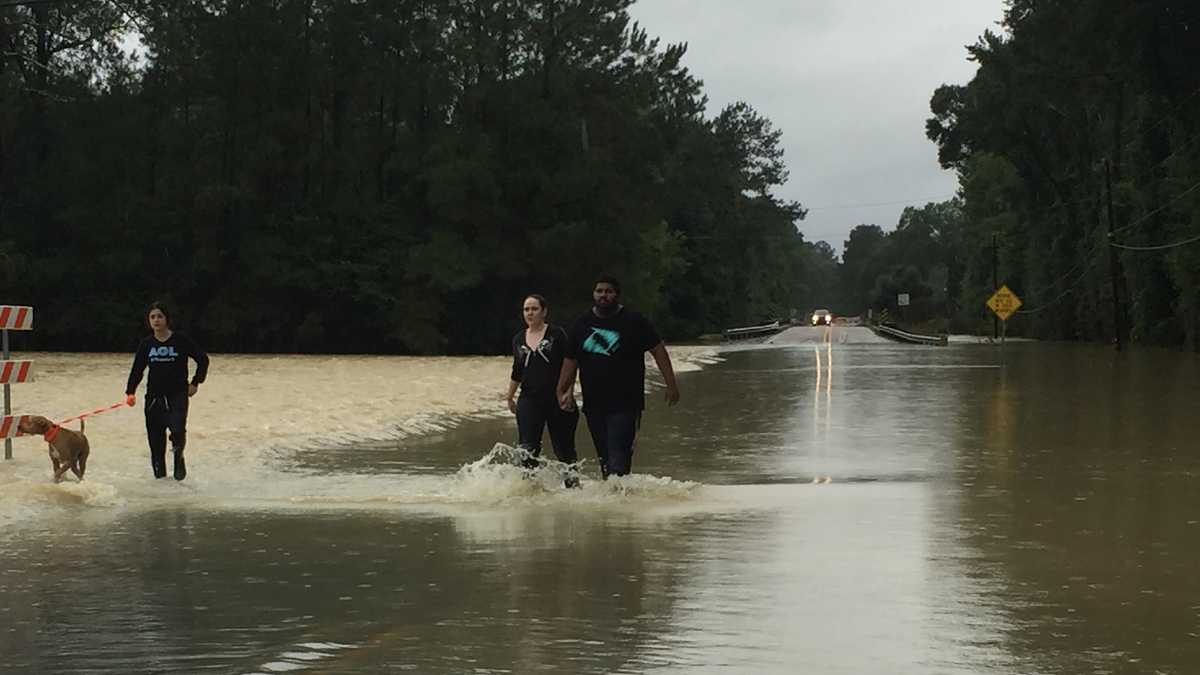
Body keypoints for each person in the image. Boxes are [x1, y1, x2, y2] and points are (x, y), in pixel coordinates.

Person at [556, 275, 679, 479]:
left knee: (618, 458)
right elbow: (571, 360)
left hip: (626, 403)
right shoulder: (581, 324)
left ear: (617, 295)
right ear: (594, 294)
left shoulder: (634, 321)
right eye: (599, 291)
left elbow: (658, 350)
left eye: (608, 291)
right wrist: (561, 389)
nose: (603, 295)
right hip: (594, 403)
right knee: (605, 460)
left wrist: (671, 384)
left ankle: (620, 500)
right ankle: (615, 505)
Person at [124, 302, 210, 480]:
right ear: (149, 321)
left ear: (167, 319)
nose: (156, 320)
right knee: (156, 442)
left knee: (177, 429)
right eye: (152, 317)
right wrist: (130, 392)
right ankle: (160, 481)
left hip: (177, 395)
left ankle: (179, 458)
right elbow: (137, 369)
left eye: (160, 316)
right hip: (154, 398)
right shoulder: (146, 344)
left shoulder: (180, 340)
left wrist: (195, 383)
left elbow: (203, 359)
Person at [505, 294, 580, 487]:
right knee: (527, 449)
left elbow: (570, 364)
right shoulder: (518, 339)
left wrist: (568, 392)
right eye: (526, 309)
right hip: (529, 399)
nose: (530, 313)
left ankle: (573, 488)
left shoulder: (557, 334)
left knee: (563, 449)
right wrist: (510, 397)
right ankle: (530, 490)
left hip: (557, 398)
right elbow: (517, 370)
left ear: (544, 311)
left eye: (534, 309)